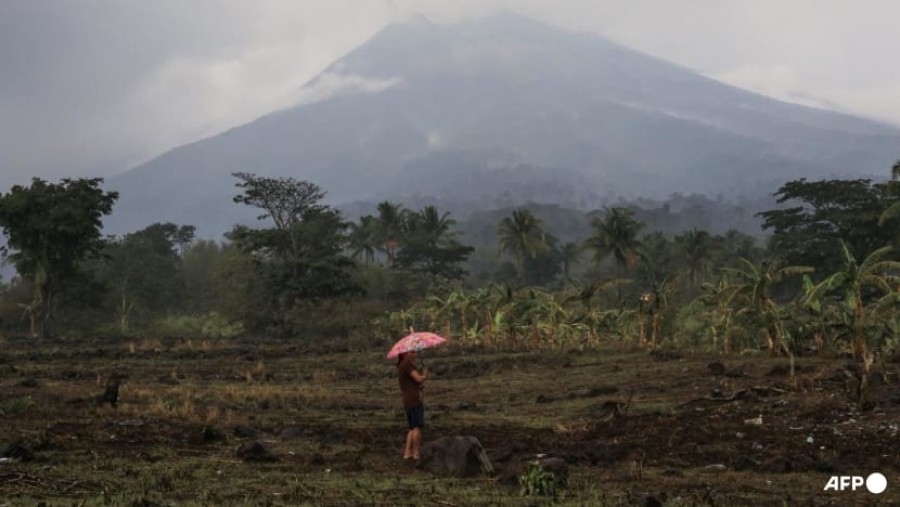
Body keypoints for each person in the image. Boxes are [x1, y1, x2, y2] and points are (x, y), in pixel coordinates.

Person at [397, 350, 428, 460]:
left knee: (411, 427)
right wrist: (424, 375)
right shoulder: (407, 365)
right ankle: (416, 453)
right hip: (414, 400)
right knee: (417, 427)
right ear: (405, 354)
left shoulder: (402, 365)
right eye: (412, 352)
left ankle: (407, 453)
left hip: (407, 400)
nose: (415, 355)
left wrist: (418, 385)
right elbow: (418, 378)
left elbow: (412, 383)